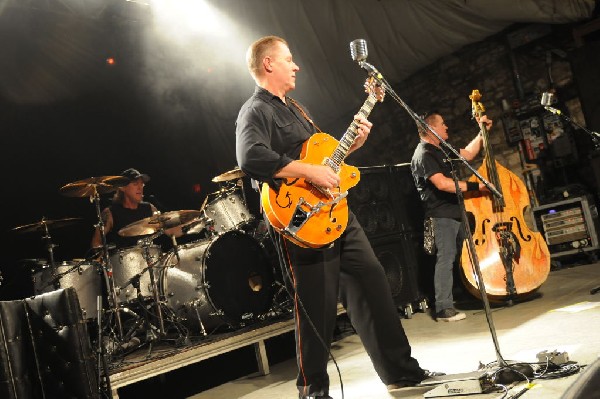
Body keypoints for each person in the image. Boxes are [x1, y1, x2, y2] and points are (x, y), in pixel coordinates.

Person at [235, 35, 440, 399]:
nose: (296, 65)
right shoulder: (256, 110)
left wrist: (354, 145)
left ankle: (401, 373)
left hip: (337, 214)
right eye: (289, 59)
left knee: (374, 283)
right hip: (302, 221)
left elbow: (326, 160)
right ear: (268, 64)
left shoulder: (297, 109)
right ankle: (312, 391)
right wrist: (308, 173)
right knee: (317, 307)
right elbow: (250, 157)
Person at [410, 112, 492, 322]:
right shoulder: (424, 154)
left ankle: (470, 295)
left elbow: (468, 154)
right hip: (441, 215)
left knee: (464, 257)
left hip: (456, 212)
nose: (447, 127)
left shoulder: (442, 149)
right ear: (431, 129)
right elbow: (442, 184)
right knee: (445, 259)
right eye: (443, 124)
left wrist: (481, 133)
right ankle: (444, 309)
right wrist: (477, 187)